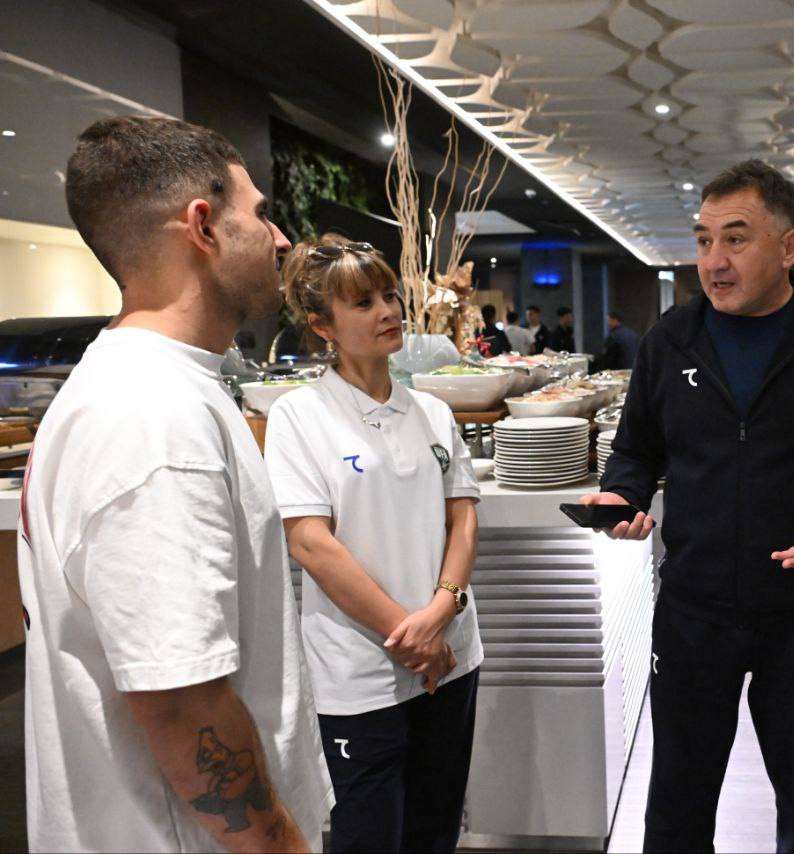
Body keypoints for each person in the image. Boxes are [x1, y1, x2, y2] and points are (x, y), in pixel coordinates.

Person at [18, 115, 332, 852]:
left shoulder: (150, 388)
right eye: (260, 214)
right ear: (203, 226)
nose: (280, 238)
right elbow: (181, 701)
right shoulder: (151, 417)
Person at [583, 159, 794, 852]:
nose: (714, 261)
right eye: (704, 240)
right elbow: (637, 449)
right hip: (692, 611)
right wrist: (624, 492)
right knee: (676, 808)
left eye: (735, 239)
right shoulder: (671, 340)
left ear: (788, 246)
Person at [265, 234, 484, 853]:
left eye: (390, 296)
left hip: (451, 656)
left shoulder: (433, 412)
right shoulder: (299, 416)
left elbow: (463, 519)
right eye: (363, 303)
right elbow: (311, 544)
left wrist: (440, 612)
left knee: (435, 830)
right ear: (322, 326)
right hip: (360, 671)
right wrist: (410, 637)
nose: (388, 311)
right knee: (368, 835)